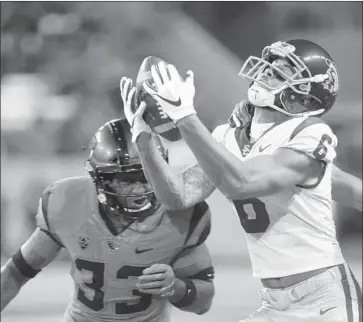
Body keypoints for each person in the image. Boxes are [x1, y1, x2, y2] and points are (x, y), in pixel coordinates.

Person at [121, 39, 362, 322]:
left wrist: (185, 115)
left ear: (306, 98)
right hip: (273, 304)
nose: (268, 71)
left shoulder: (309, 132)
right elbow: (177, 196)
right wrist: (143, 139)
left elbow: (242, 182)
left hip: (324, 300)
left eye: (284, 70)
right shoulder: (230, 136)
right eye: (271, 65)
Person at [1, 118, 215, 322]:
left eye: (148, 177)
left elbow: (203, 303)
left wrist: (175, 287)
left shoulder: (179, 217)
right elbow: (16, 273)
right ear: (104, 180)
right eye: (129, 181)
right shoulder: (69, 204)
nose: (140, 189)